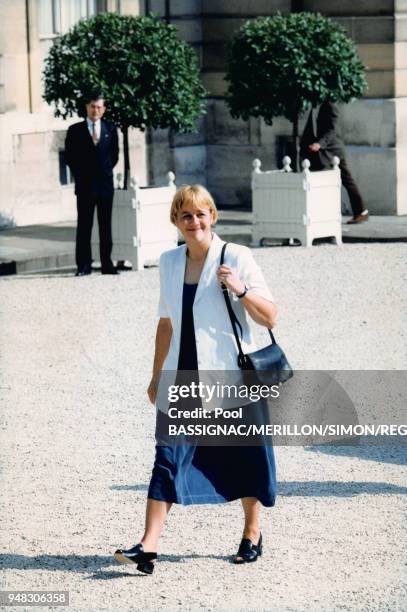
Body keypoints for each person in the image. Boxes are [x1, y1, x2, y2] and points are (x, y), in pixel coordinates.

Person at [114, 184, 278, 574]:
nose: (194, 222)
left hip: (230, 376)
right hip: (183, 376)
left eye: (201, 214)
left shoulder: (236, 256)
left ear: (213, 217)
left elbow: (270, 316)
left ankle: (252, 532)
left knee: (247, 454)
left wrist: (240, 290)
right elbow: (166, 324)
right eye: (185, 215)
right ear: (176, 220)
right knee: (167, 457)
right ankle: (148, 546)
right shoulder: (169, 262)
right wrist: (156, 376)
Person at [65, 94, 119, 276]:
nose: (95, 110)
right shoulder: (75, 130)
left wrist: (102, 171)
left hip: (105, 186)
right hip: (85, 186)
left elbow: (114, 156)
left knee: (106, 226)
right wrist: (83, 174)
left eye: (98, 107)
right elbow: (70, 157)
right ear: (86, 107)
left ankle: (107, 264)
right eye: (92, 107)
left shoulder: (110, 129)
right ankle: (83, 266)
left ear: (103, 109)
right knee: (84, 227)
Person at [301, 101, 369, 224]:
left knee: (347, 181)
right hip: (321, 151)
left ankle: (361, 212)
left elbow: (332, 130)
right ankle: (320, 213)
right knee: (320, 180)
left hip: (333, 150)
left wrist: (319, 144)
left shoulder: (330, 105)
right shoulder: (315, 105)